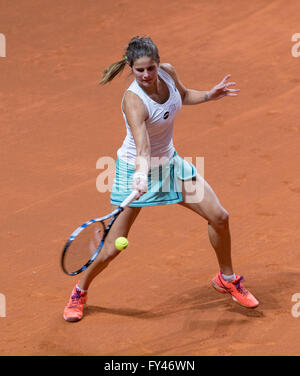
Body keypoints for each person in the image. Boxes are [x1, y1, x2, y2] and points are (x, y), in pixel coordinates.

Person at [63, 36, 259, 322]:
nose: (146, 75)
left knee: (219, 215)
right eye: (140, 70)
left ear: (158, 63)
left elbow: (183, 95)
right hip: (134, 172)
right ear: (130, 68)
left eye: (150, 68)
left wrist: (208, 94)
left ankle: (226, 278)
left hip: (169, 165)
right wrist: (141, 176)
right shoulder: (133, 101)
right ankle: (80, 291)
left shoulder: (168, 71)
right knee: (112, 247)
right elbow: (142, 147)